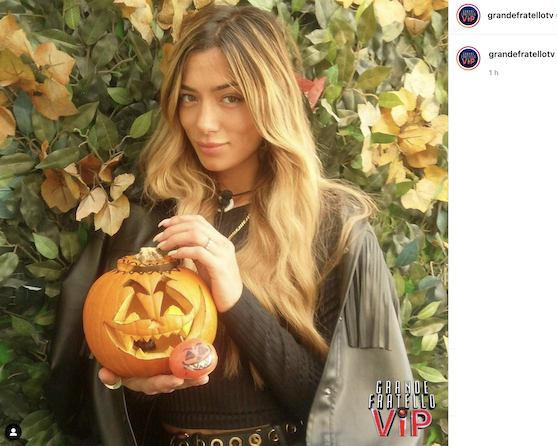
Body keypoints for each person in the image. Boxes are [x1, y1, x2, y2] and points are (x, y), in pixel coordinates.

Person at [44, 5, 417, 446]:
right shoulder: (145, 221)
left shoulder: (337, 229)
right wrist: (131, 386)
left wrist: (238, 301)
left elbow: (371, 417)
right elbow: (78, 395)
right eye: (189, 98)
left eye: (230, 97)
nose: (204, 123)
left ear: (271, 101)